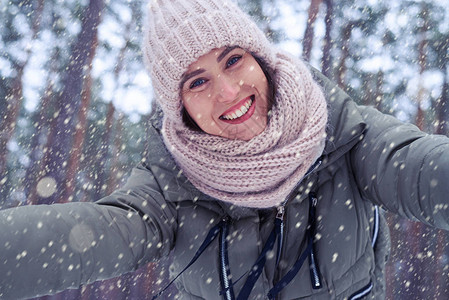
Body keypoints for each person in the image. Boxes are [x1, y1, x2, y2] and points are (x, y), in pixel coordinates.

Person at [1, 0, 449, 299]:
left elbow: (420, 168)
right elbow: (98, 232)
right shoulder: (169, 183)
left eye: (233, 59)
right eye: (197, 82)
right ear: (181, 109)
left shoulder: (346, 133)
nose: (229, 91)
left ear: (261, 60)